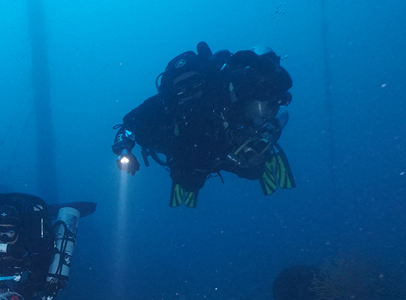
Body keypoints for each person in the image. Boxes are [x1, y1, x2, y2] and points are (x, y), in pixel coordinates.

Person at [112, 41, 295, 208]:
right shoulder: (162, 104)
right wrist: (124, 152)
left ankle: (264, 141)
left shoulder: (220, 87)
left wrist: (260, 64)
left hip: (226, 146)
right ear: (172, 91)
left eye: (194, 82)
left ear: (203, 79)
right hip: (189, 153)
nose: (190, 91)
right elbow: (127, 127)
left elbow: (284, 84)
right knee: (188, 182)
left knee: (254, 170)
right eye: (182, 88)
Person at [0, 193, 96, 300]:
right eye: (1, 231)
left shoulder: (32, 242)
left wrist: (31, 286)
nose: (4, 237)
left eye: (10, 231)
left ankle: (50, 210)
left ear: (18, 231)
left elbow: (41, 266)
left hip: (34, 228)